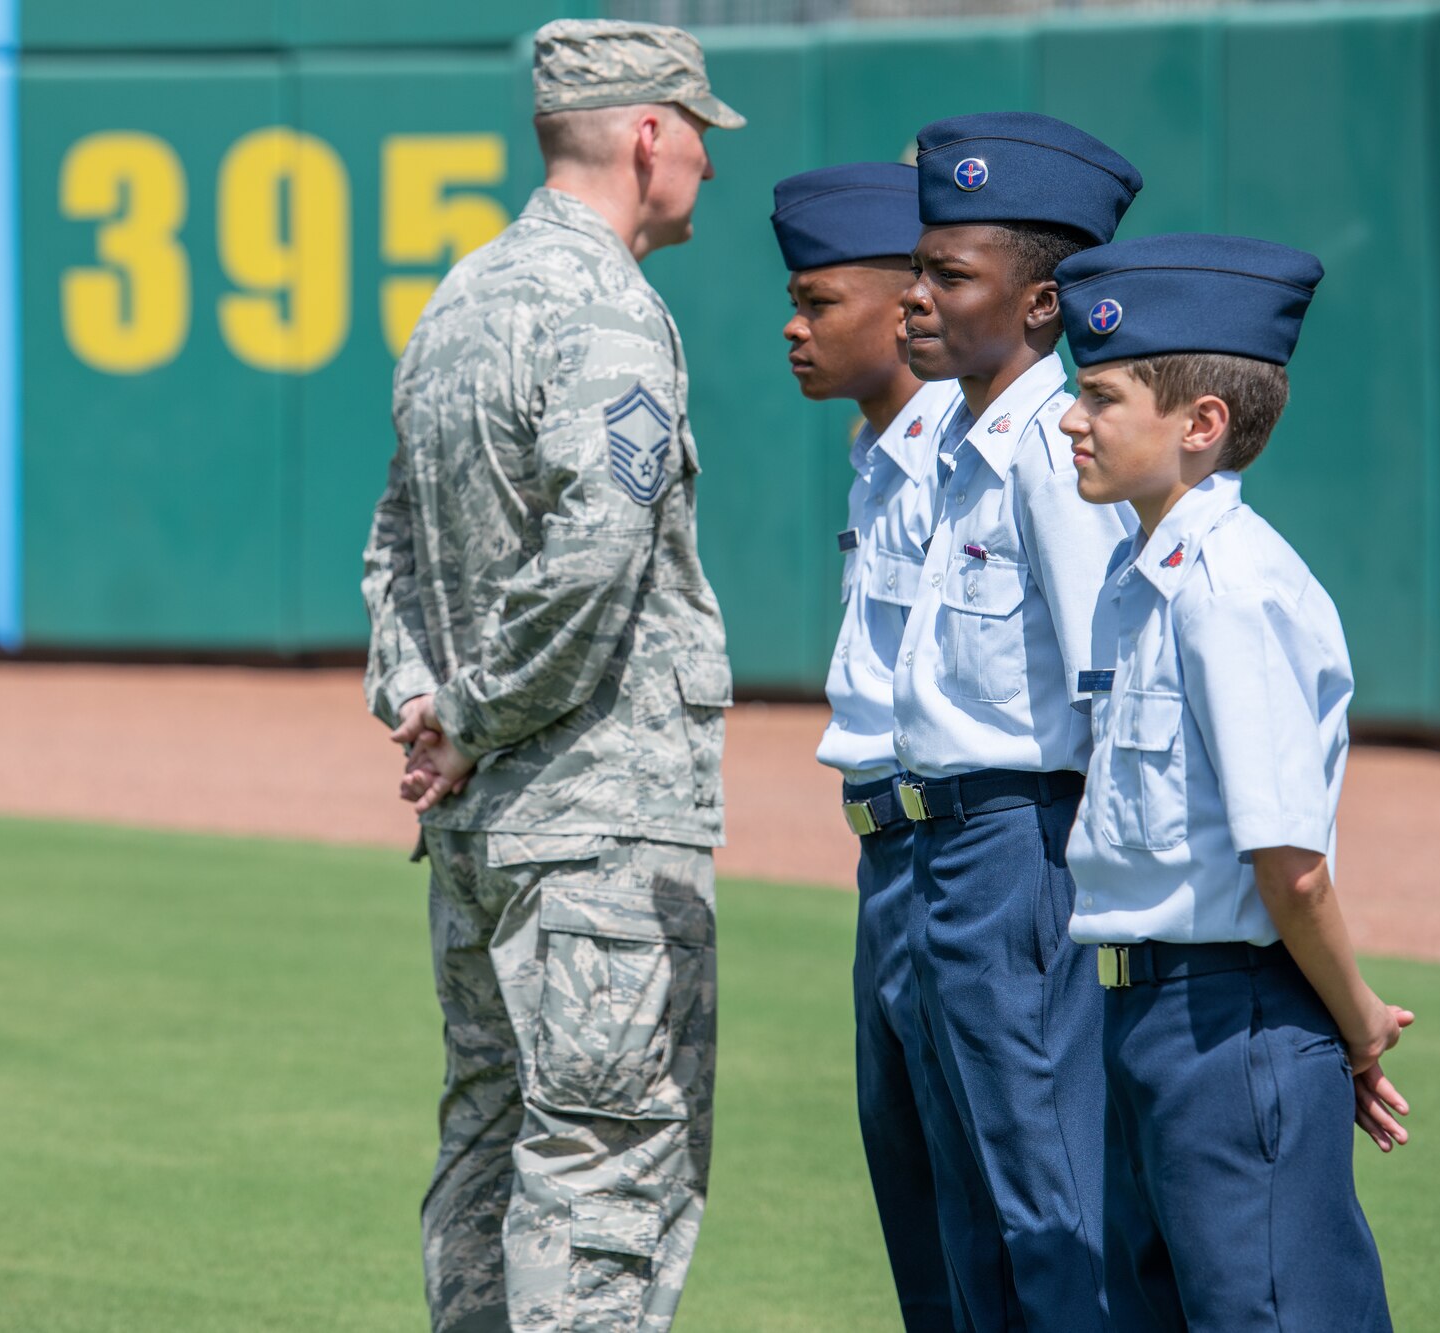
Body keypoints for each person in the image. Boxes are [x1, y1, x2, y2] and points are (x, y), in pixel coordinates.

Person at [359, 19, 744, 1333]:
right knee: (603, 1175)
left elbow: (392, 544)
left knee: (488, 1147)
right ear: (648, 134)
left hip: (478, 831)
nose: (705, 155)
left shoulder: (458, 296)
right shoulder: (608, 309)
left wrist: (422, 702)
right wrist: (464, 715)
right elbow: (598, 548)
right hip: (593, 825)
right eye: (697, 128)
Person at [1055, 232, 1411, 1331]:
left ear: (1199, 425)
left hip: (1228, 1019)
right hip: (1146, 1013)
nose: (1071, 417)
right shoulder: (1139, 576)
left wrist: (1349, 1023)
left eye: (1101, 396)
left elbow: (1289, 870)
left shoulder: (1229, 593)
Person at [889, 111, 1142, 1331]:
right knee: (972, 1202)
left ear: (1040, 303)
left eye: (948, 275)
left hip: (1024, 847)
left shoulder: (1052, 448)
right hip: (948, 849)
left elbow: (1111, 686)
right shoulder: (957, 442)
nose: (915, 299)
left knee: (1048, 1206)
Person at [770, 160, 967, 1333]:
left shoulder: (978, 453)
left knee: (1013, 1217)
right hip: (886, 863)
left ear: (905, 304)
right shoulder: (877, 453)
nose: (792, 329)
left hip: (973, 859)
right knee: (921, 1225)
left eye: (816, 300)